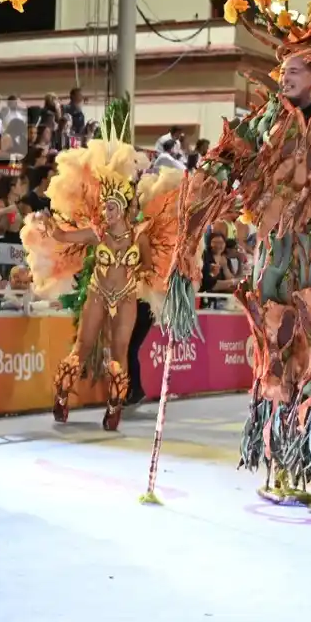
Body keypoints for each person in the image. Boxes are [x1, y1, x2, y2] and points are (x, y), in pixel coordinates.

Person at [20, 137, 184, 431]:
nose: (106, 213)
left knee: (120, 352)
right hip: (97, 293)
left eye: (111, 208)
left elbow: (149, 265)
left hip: (125, 297)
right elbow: (64, 238)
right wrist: (47, 224)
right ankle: (61, 395)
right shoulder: (97, 234)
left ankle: (114, 405)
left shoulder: (140, 235)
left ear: (122, 209)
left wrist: (146, 275)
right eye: (105, 208)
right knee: (82, 347)